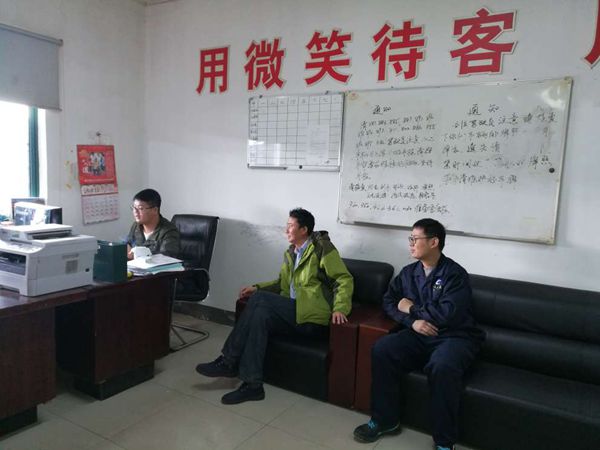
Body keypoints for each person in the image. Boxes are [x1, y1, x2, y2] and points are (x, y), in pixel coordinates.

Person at [196, 208, 353, 404]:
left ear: (304, 229)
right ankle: (253, 385)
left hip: (312, 316)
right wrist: (257, 288)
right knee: (260, 315)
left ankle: (229, 361)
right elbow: (281, 283)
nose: (286, 230)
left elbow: (343, 279)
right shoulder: (291, 252)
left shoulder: (322, 248)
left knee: (260, 301)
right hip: (292, 312)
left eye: (290, 226)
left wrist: (340, 308)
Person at [353, 218, 484, 450]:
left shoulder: (455, 274)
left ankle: (444, 441)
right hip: (418, 333)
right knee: (383, 349)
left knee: (442, 367)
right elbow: (389, 301)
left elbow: (447, 313)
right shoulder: (409, 272)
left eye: (415, 239)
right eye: (410, 239)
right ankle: (385, 420)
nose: (411, 243)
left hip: (454, 337)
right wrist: (411, 322)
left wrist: (412, 308)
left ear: (434, 242)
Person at [126, 188, 180, 259]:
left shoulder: (169, 231)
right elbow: (128, 245)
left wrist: (135, 255)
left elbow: (166, 259)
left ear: (155, 210)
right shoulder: (136, 226)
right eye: (134, 208)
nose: (135, 212)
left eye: (140, 208)